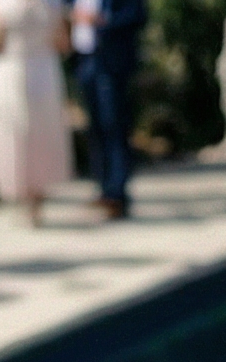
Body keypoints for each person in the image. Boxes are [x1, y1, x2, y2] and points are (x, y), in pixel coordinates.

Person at [0, 0, 68, 225]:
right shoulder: (53, 4)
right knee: (41, 133)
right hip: (44, 71)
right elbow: (63, 43)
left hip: (11, 70)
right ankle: (36, 199)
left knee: (14, 133)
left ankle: (21, 196)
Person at [67, 0, 142, 218]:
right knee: (96, 127)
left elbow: (136, 14)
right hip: (85, 61)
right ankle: (103, 187)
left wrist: (101, 21)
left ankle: (117, 192)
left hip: (111, 61)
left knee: (114, 125)